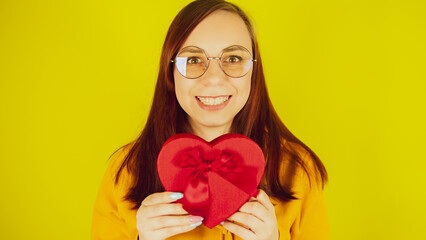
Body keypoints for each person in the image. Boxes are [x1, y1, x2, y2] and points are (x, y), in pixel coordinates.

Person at [91, 0, 329, 239]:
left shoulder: (299, 170)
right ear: (170, 72)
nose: (214, 79)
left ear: (255, 71)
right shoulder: (124, 172)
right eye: (193, 60)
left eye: (233, 58)